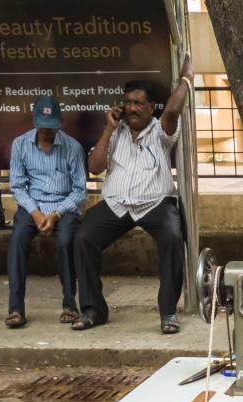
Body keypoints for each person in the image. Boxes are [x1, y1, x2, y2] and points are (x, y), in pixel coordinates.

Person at [72, 57, 193, 333]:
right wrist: (108, 129)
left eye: (139, 103)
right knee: (83, 237)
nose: (133, 108)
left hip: (155, 203)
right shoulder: (114, 132)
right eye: (128, 102)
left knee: (173, 235)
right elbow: (95, 167)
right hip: (116, 204)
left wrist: (185, 80)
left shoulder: (162, 132)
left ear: (151, 107)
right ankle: (93, 309)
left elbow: (173, 112)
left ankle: (168, 312)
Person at [6, 96, 87, 328]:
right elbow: (18, 186)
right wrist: (36, 213)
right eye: (42, 125)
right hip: (32, 206)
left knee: (65, 241)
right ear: (34, 121)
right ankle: (15, 309)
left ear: (60, 121)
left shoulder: (72, 147)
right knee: (18, 239)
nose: (47, 131)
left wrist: (56, 214)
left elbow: (80, 191)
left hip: (64, 206)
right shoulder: (20, 144)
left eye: (51, 126)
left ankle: (70, 304)